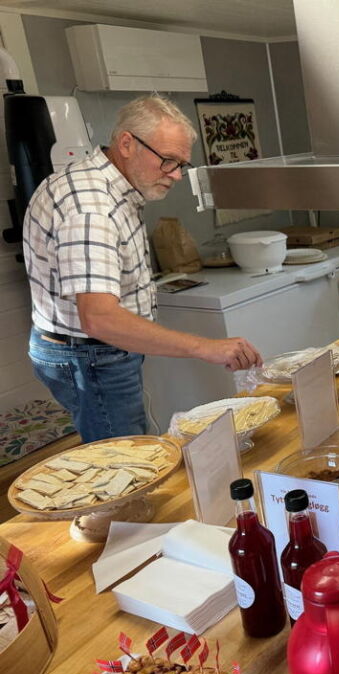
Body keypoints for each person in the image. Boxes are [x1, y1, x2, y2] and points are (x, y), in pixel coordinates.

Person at [24, 94, 262, 443]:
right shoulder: (92, 208)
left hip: (91, 349)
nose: (177, 175)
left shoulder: (112, 188)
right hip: (90, 356)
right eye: (168, 161)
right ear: (126, 143)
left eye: (182, 164)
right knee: (126, 463)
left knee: (132, 451)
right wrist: (206, 347)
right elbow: (100, 318)